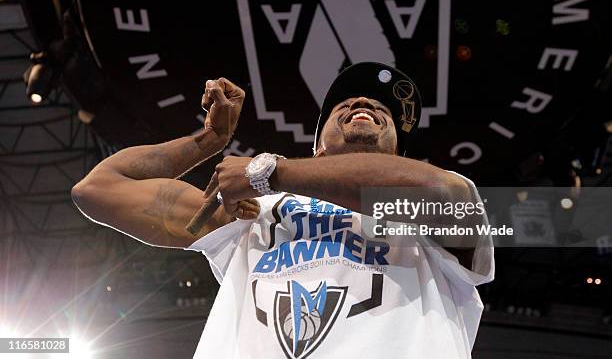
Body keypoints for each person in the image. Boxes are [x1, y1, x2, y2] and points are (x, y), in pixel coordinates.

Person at [72, 62, 494, 359]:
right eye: (342, 103)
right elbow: (99, 189)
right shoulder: (250, 211)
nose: (363, 99)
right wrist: (209, 139)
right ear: (319, 146)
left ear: (400, 154)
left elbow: (445, 191)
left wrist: (272, 172)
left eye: (382, 108)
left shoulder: (421, 225)